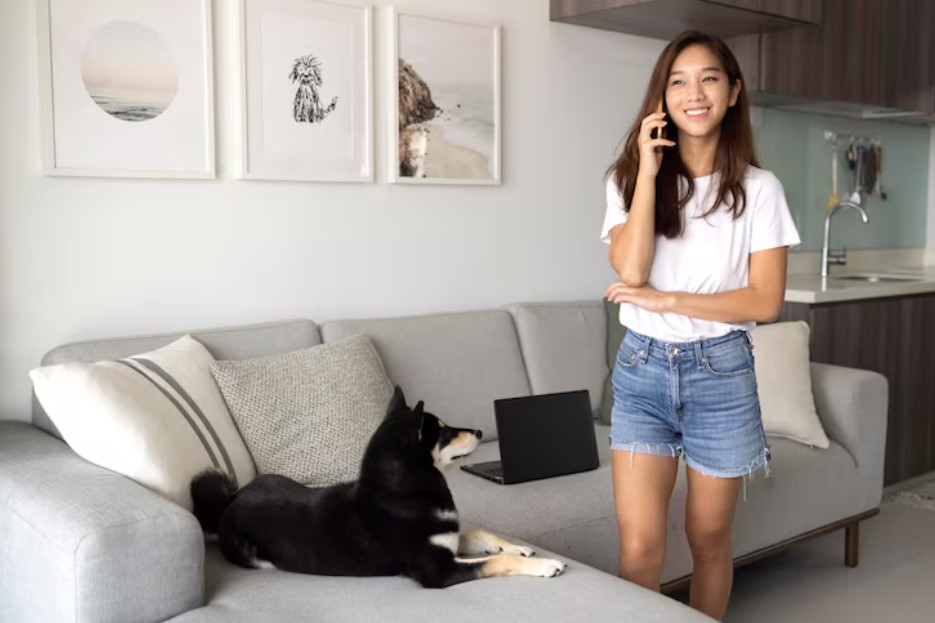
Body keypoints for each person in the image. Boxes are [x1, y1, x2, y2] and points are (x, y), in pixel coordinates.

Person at [600, 30, 800, 620]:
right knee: (639, 549)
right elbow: (631, 267)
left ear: (733, 92)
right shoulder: (625, 179)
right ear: (662, 96)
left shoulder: (760, 191)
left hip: (722, 375)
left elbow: (765, 302)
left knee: (708, 541)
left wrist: (668, 301)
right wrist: (648, 171)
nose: (695, 93)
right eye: (678, 80)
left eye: (709, 78)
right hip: (642, 373)